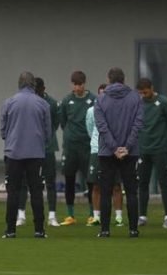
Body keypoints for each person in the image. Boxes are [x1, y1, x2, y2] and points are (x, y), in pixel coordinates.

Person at [1, 72, 50, 238]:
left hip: (13, 153)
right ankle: (39, 230)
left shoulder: (9, 102)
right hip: (35, 153)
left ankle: (10, 230)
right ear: (33, 85)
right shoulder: (43, 104)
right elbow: (48, 132)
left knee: (13, 191)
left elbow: (3, 131)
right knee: (36, 192)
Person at [93, 67, 141, 238]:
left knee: (106, 191)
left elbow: (102, 127)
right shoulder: (135, 97)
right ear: (124, 79)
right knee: (131, 191)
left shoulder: (101, 99)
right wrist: (126, 146)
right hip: (131, 151)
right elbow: (138, 124)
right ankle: (133, 229)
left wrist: (114, 147)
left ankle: (105, 229)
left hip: (107, 152)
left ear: (109, 79)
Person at [17, 77, 61, 227]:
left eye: (37, 91)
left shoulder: (52, 103)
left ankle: (52, 216)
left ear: (43, 89)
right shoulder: (28, 102)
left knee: (50, 182)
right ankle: (21, 214)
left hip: (47, 148)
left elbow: (54, 124)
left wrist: (44, 137)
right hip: (29, 147)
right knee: (24, 181)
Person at [84, 83, 124, 228]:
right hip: (97, 149)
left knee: (116, 185)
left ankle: (119, 217)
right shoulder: (91, 111)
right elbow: (90, 128)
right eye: (100, 94)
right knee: (96, 185)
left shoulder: (116, 110)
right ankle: (96, 216)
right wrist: (96, 142)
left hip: (114, 149)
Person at [59, 71, 96, 225]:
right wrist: (70, 135)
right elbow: (63, 122)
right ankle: (70, 215)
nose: (77, 88)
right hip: (71, 146)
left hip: (87, 146)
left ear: (84, 84)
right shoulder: (67, 100)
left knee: (90, 180)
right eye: (75, 84)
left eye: (80, 84)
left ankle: (93, 213)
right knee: (69, 179)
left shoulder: (93, 99)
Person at [135, 78, 167, 228]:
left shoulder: (163, 102)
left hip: (160, 149)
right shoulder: (138, 103)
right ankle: (142, 216)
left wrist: (165, 141)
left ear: (152, 88)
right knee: (143, 183)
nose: (143, 95)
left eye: (145, 92)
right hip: (143, 148)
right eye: (141, 93)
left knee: (163, 182)